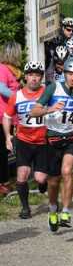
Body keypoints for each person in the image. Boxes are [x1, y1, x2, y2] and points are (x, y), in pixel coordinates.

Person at [30, 57, 73, 231]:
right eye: (70, 74)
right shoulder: (53, 88)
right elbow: (33, 111)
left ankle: (66, 211)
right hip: (52, 138)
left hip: (72, 137)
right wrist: (49, 109)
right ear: (65, 73)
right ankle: (53, 209)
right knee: (53, 181)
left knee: (67, 172)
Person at [3, 61, 48, 217]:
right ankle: (25, 208)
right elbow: (7, 116)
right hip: (24, 140)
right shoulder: (17, 96)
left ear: (41, 77)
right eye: (30, 75)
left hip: (43, 141)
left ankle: (43, 183)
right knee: (22, 174)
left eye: (37, 75)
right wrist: (8, 136)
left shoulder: (47, 93)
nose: (34, 79)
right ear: (26, 77)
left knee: (40, 178)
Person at [0, 41, 22, 196]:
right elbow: (1, 89)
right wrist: (20, 97)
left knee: (7, 152)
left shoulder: (14, 71)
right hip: (2, 115)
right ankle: (3, 184)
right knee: (2, 152)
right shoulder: (2, 68)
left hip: (11, 115)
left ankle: (7, 181)